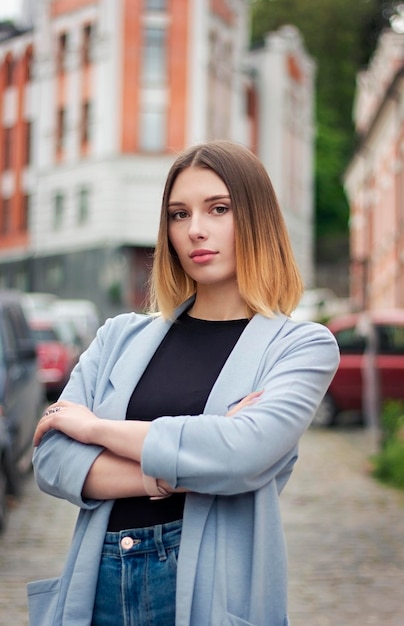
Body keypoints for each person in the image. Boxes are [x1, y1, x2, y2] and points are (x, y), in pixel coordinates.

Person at [28, 140, 340, 626]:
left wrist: (94, 431)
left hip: (207, 593)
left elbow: (242, 454)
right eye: (179, 214)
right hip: (98, 588)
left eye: (218, 209)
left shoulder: (300, 345)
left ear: (257, 219)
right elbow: (50, 459)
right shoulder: (120, 336)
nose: (195, 230)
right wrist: (173, 470)